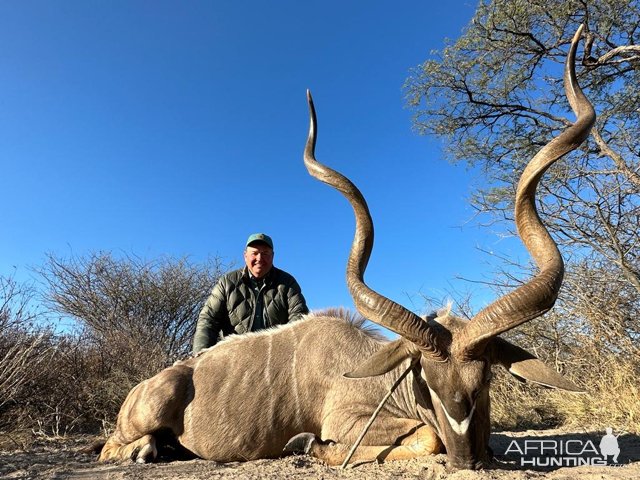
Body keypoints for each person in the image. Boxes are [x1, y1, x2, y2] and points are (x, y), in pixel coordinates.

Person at [192, 233, 309, 353]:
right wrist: (200, 356)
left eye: (265, 253)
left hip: (274, 357)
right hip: (233, 358)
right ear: (245, 256)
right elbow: (208, 319)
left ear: (272, 256)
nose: (259, 258)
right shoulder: (227, 282)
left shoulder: (287, 282)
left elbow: (299, 317)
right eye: (255, 253)